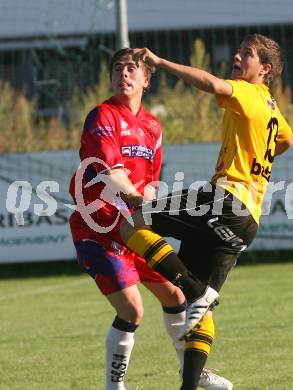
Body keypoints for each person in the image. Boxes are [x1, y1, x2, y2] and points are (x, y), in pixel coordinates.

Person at [115, 34, 293, 390]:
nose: (238, 58)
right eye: (240, 52)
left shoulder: (248, 93)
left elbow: (211, 83)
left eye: (248, 55)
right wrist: (259, 159)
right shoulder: (271, 106)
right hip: (247, 222)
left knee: (130, 224)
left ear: (266, 69)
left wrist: (162, 62)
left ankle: (196, 289)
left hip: (224, 199)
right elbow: (288, 140)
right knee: (200, 313)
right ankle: (191, 385)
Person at [68, 48, 231, 390]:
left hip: (135, 227)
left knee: (175, 296)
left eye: (132, 68)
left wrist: (152, 208)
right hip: (99, 225)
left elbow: (152, 183)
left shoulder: (153, 126)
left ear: (146, 80)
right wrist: (142, 202)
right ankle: (115, 387)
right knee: (133, 310)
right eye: (117, 68)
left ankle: (191, 371)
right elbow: (111, 175)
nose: (123, 74)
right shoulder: (102, 116)